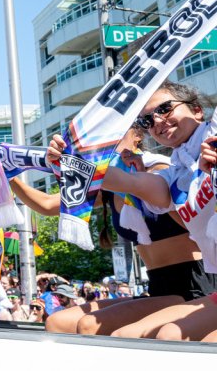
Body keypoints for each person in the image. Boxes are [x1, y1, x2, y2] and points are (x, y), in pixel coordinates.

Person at [46, 81, 217, 339]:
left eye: (166, 109)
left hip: (195, 282)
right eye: (148, 120)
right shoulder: (173, 175)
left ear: (196, 110)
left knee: (160, 337)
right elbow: (130, 182)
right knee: (137, 338)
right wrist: (71, 161)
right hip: (183, 287)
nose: (158, 120)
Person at [14, 125, 209, 336]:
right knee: (58, 322)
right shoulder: (108, 185)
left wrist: (142, 183)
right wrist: (8, 174)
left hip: (193, 285)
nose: (105, 143)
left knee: (90, 325)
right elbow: (47, 204)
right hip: (157, 288)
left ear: (137, 136)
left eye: (115, 134)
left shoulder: (160, 169)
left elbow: (194, 219)